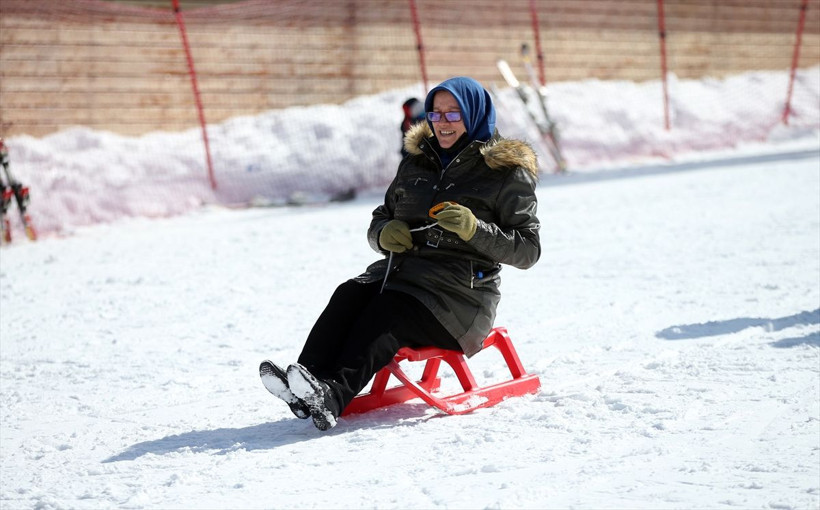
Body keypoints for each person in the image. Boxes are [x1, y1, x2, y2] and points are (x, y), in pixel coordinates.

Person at [260, 76, 541, 431]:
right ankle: (306, 384)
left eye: (453, 114)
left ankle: (333, 395)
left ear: (474, 114)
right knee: (350, 293)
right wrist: (383, 233)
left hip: (460, 297)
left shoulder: (505, 173)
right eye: (435, 113)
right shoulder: (417, 162)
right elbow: (383, 215)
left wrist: (474, 229)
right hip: (402, 275)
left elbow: (528, 250)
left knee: (389, 310)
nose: (442, 122)